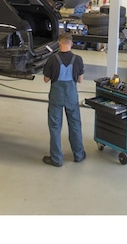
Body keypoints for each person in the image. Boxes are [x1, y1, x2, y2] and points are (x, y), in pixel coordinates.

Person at [42, 32, 86, 167]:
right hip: (71, 96)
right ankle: (78, 154)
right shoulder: (78, 59)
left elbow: (46, 79)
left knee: (55, 126)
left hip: (56, 96)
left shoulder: (52, 59)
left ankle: (56, 159)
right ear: (71, 44)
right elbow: (80, 80)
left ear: (59, 43)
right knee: (75, 124)